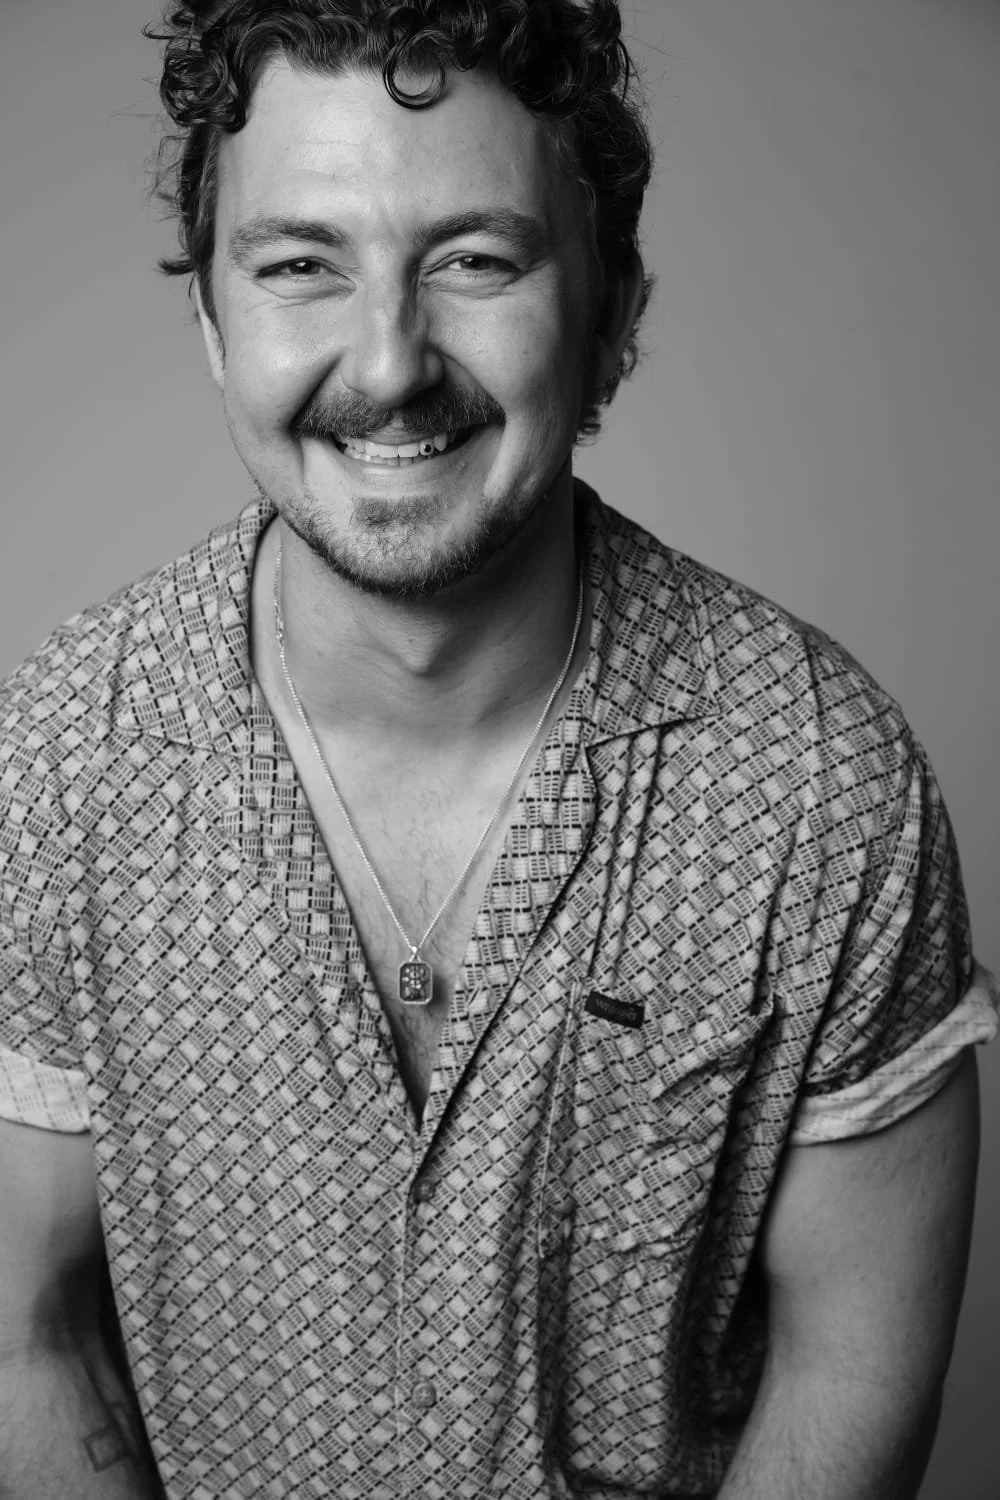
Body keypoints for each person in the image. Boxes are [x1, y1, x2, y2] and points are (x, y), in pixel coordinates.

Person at [0, 2, 996, 1496]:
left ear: (611, 308)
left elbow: (846, 1372)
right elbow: (25, 1329)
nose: (390, 363)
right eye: (298, 268)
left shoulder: (820, 788)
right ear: (211, 318)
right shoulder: (64, 765)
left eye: (473, 260)